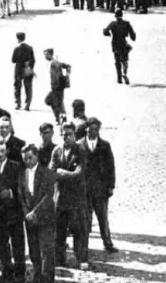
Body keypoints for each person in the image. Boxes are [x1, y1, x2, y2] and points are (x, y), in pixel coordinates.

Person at [18, 144, 56, 283]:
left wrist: (36, 212)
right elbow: (21, 195)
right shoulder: (23, 174)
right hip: (30, 219)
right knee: (34, 250)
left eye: (30, 157)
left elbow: (48, 195)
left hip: (45, 217)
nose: (28, 161)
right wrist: (27, 213)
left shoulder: (46, 173)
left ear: (36, 156)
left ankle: (48, 281)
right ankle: (37, 278)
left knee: (46, 250)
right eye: (25, 158)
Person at [50, 122, 88, 270]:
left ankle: (81, 259)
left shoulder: (81, 151)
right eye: (64, 135)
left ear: (74, 135)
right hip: (60, 198)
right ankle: (59, 259)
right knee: (59, 230)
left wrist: (63, 173)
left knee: (79, 229)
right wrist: (60, 173)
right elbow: (51, 171)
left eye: (70, 134)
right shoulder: (57, 151)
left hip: (76, 198)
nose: (66, 137)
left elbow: (80, 173)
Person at [78, 118, 117, 254]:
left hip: (100, 190)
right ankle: (84, 246)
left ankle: (108, 243)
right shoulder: (79, 145)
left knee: (103, 218)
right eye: (92, 129)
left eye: (97, 129)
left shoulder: (105, 146)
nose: (94, 132)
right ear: (86, 129)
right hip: (85, 190)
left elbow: (110, 167)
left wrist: (111, 186)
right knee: (85, 219)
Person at [0, 140, 26, 283]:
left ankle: (20, 277)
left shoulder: (15, 166)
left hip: (14, 213)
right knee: (2, 246)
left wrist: (11, 193)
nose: (0, 154)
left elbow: (21, 188)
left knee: (18, 245)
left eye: (2, 151)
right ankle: (7, 275)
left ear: (6, 152)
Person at [103, 9, 136, 84]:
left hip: (115, 43)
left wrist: (108, 34)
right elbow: (132, 35)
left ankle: (119, 78)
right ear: (122, 15)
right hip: (123, 43)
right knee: (125, 60)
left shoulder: (113, 24)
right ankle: (124, 72)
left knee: (117, 61)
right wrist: (133, 37)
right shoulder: (126, 23)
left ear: (115, 16)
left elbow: (105, 31)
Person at [43, 48, 71, 123]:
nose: (45, 57)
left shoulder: (53, 63)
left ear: (51, 54)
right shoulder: (56, 62)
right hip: (59, 87)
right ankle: (60, 118)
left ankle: (59, 118)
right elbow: (66, 65)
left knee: (51, 101)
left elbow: (56, 76)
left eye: (46, 55)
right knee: (59, 103)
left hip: (56, 87)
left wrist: (54, 87)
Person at [11, 32, 36, 111]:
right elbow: (33, 60)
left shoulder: (17, 48)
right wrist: (30, 67)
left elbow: (13, 60)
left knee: (17, 87)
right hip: (27, 69)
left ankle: (17, 103)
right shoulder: (30, 48)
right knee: (28, 87)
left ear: (17, 38)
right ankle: (27, 104)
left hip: (18, 69)